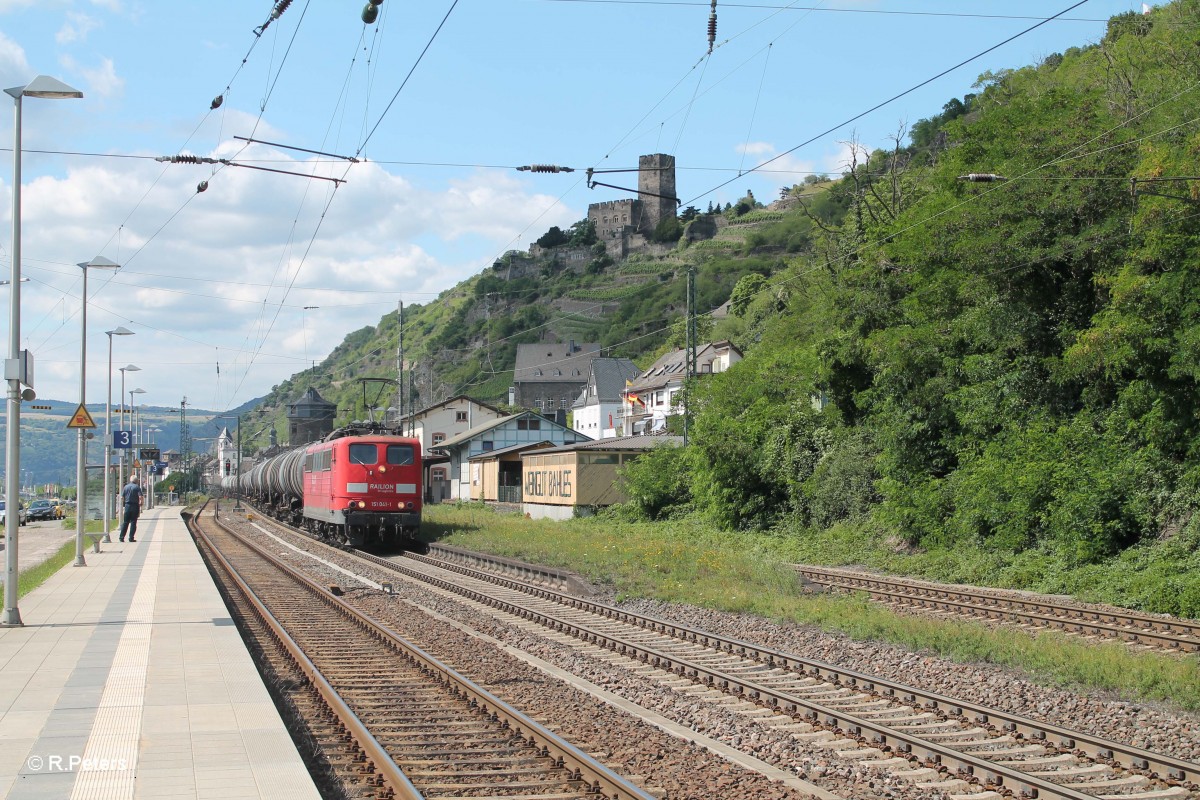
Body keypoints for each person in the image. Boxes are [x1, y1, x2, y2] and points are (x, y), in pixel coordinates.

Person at [119, 473, 143, 542]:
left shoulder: (126, 487)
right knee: (133, 522)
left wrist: (124, 504)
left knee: (125, 522)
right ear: (136, 481)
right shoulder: (137, 487)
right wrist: (141, 503)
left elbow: (122, 497)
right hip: (135, 506)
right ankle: (131, 537)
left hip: (127, 506)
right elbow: (140, 496)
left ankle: (121, 537)